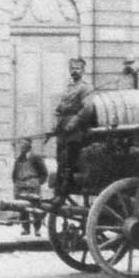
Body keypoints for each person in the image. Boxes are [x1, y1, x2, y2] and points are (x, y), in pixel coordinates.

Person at [51, 58, 94, 200]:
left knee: (70, 159)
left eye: (78, 68)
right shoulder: (69, 87)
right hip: (63, 127)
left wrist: (73, 123)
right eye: (72, 68)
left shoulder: (86, 87)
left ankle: (66, 189)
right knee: (60, 159)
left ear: (83, 70)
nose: (75, 71)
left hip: (76, 129)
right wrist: (56, 116)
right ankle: (59, 190)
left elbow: (87, 108)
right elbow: (62, 106)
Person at [12, 137, 48, 236]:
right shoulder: (19, 158)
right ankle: (25, 228)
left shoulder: (35, 157)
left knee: (35, 208)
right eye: (20, 145)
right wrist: (17, 184)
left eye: (24, 145)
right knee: (22, 208)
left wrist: (37, 182)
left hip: (33, 186)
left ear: (29, 146)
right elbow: (14, 174)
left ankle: (37, 229)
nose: (21, 147)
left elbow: (44, 173)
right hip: (21, 186)